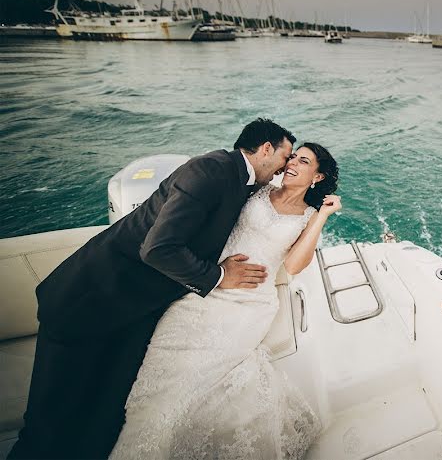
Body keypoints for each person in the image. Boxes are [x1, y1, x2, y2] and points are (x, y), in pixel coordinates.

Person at [10, 118, 297, 459]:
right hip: (87, 300)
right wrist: (218, 276)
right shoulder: (208, 171)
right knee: (48, 423)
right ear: (266, 149)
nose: (285, 167)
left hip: (133, 314)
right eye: (285, 157)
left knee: (108, 416)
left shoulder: (243, 179)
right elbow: (158, 248)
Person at [109, 142, 339, 459]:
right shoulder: (261, 187)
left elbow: (294, 265)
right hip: (211, 286)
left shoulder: (310, 216)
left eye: (303, 161)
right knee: (165, 364)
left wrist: (322, 216)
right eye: (292, 157)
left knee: (206, 375)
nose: (292, 163)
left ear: (318, 176)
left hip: (252, 303)